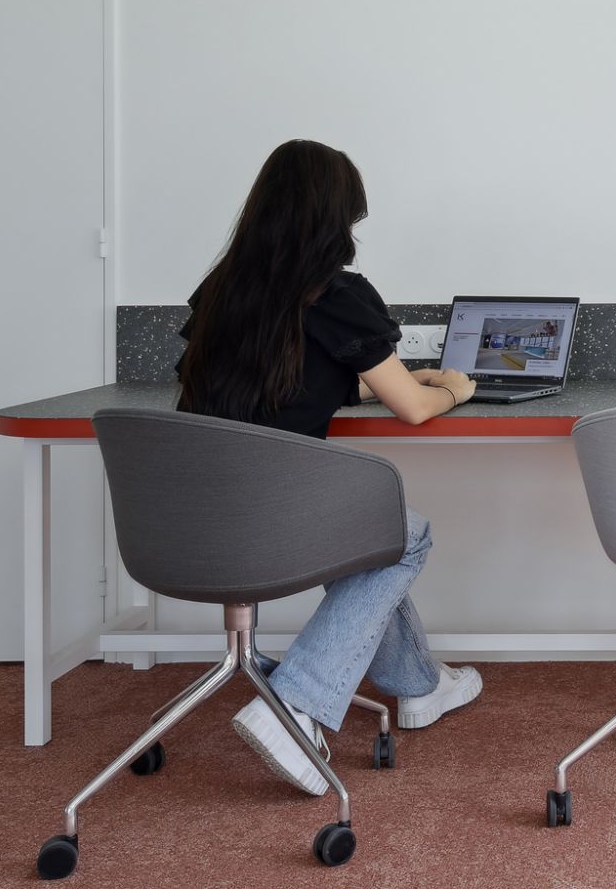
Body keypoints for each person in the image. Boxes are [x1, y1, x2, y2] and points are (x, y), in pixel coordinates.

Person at [176, 138, 482, 795]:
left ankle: (420, 685)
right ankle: (297, 703)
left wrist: (396, 378)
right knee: (403, 534)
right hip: (274, 518)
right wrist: (454, 388)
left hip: (190, 517)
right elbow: (414, 411)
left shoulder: (221, 289)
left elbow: (287, 380)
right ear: (335, 218)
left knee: (372, 537)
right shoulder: (336, 292)